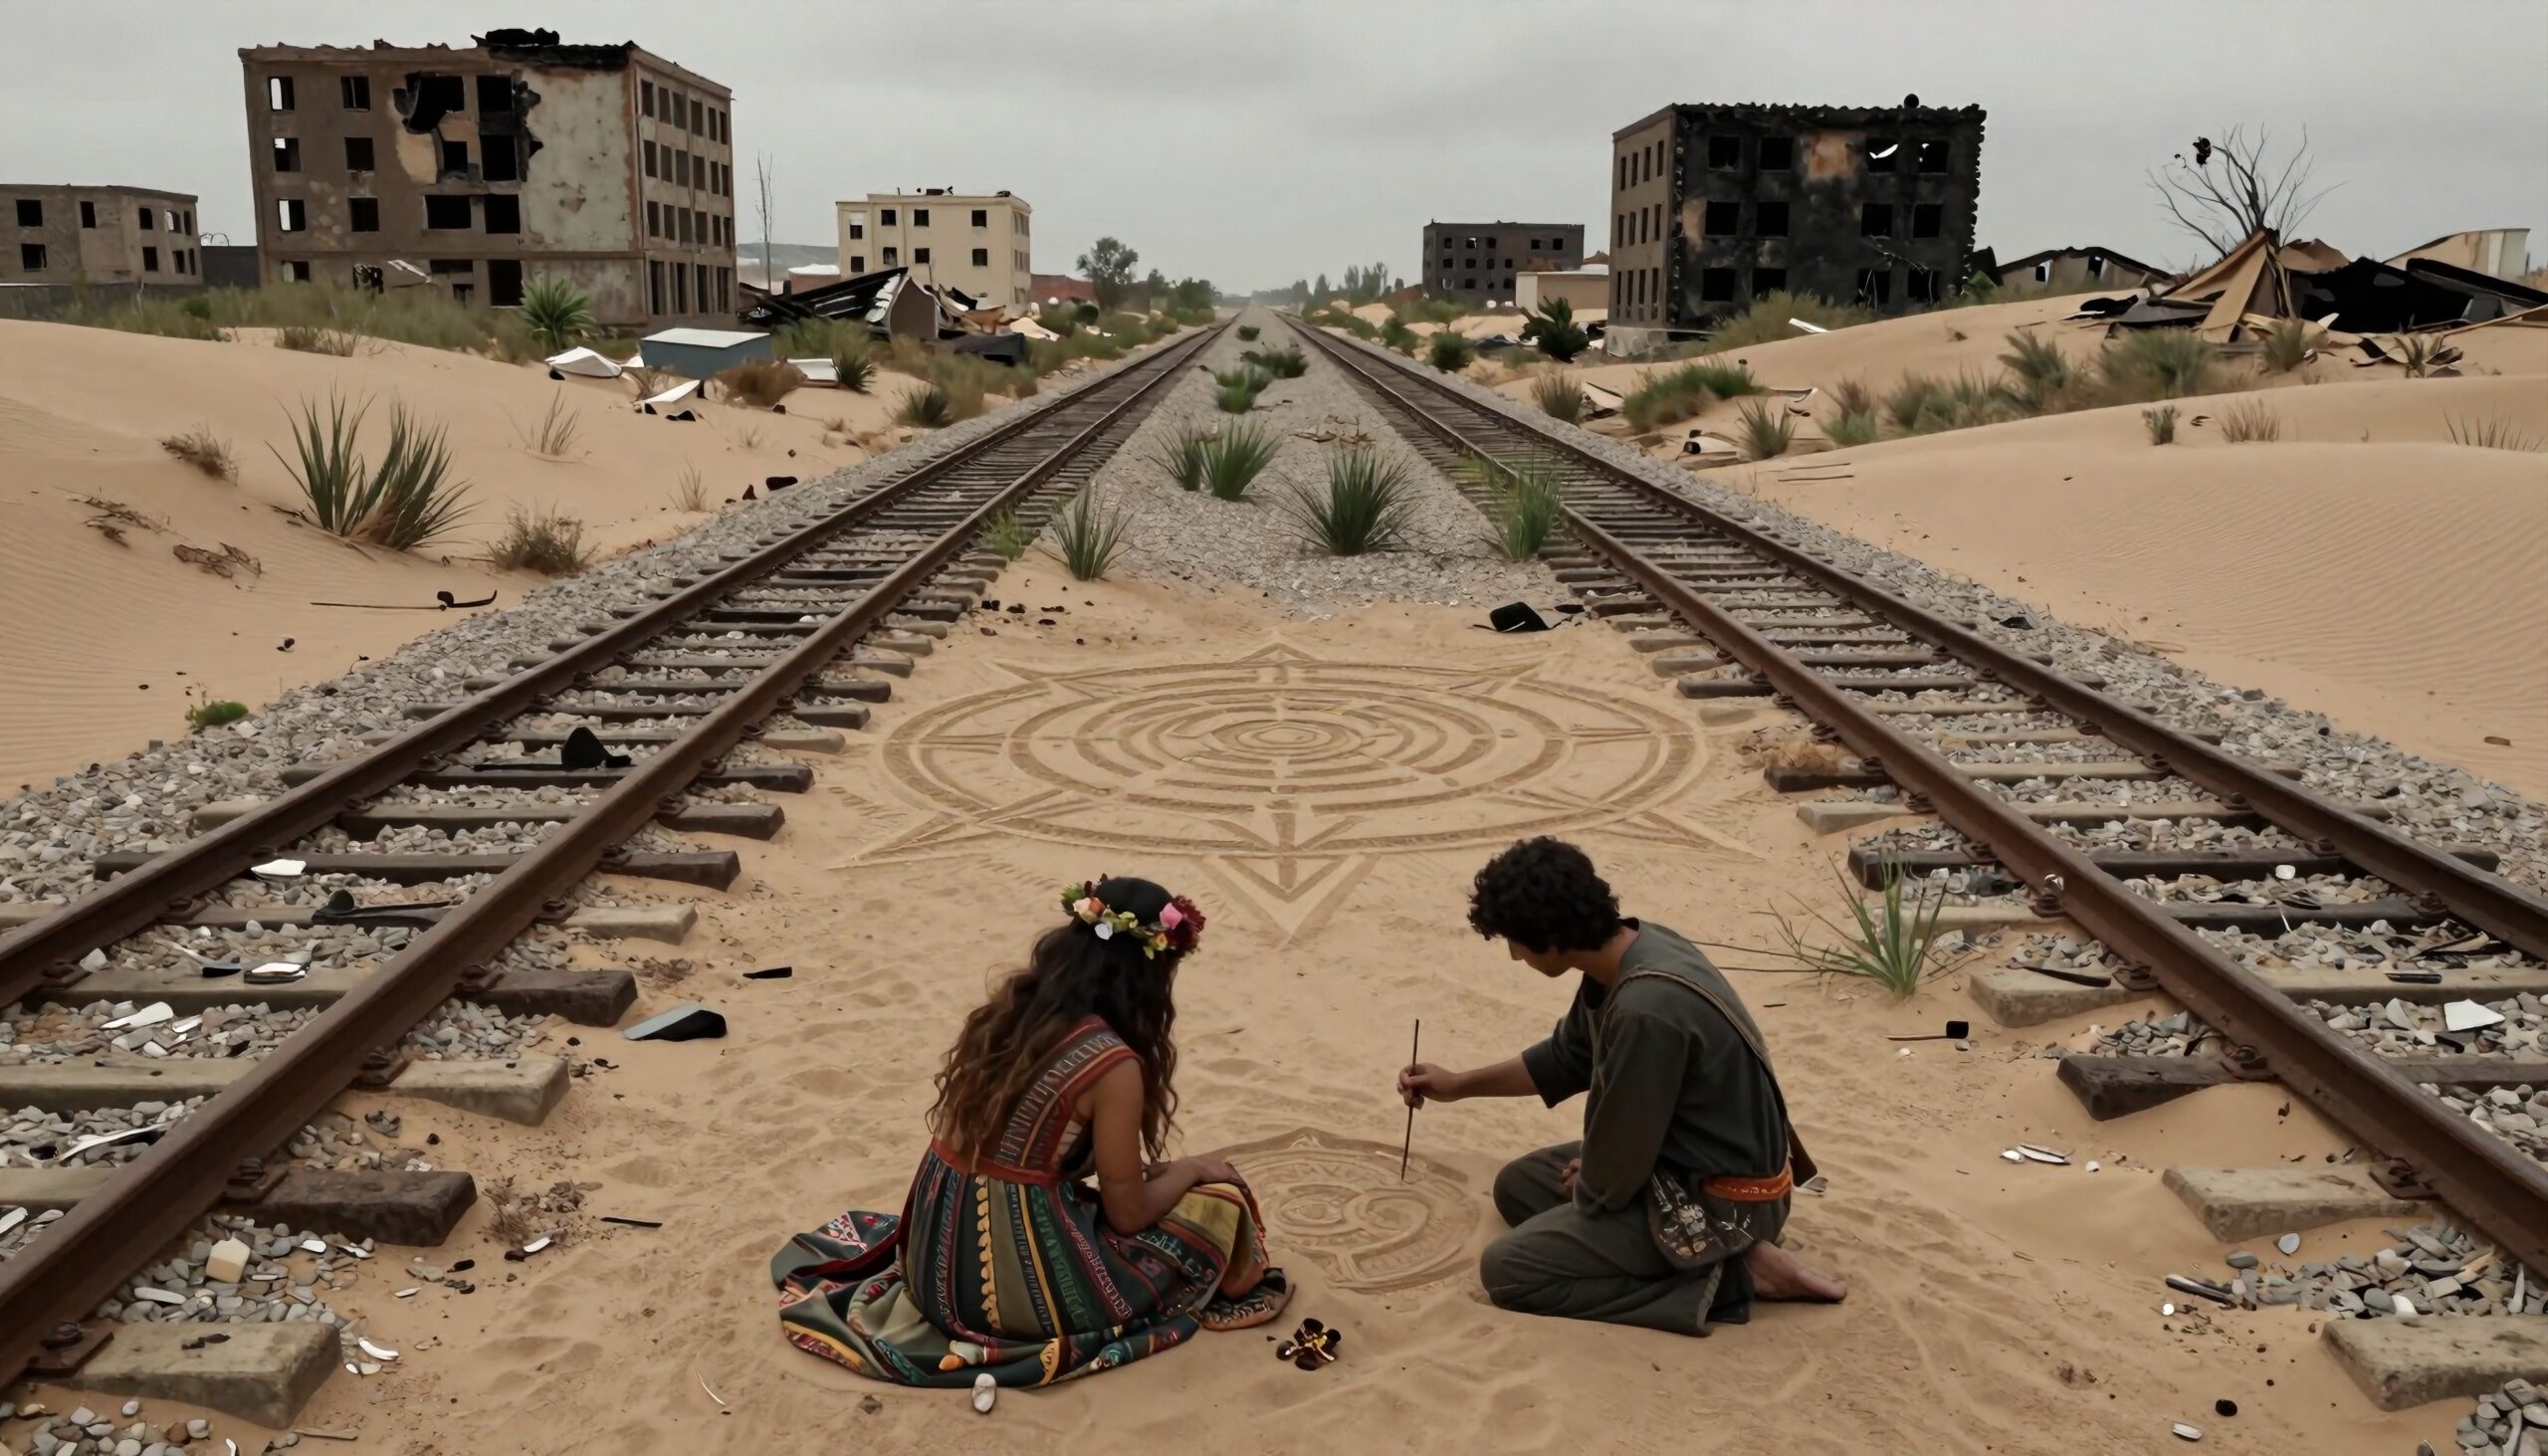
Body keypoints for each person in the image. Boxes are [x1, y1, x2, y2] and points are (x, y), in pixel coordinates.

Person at [771, 876, 1290, 1387]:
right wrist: (1191, 1170)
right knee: (1222, 1201)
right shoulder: (1113, 1065)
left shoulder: (1013, 1012)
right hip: (1008, 1293)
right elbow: (1128, 1215)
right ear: (1151, 975)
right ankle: (1237, 1287)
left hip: (930, 1260)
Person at [1397, 837, 1846, 1334]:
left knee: (1508, 1270)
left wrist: (1596, 1177)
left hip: (1728, 1201)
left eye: (1516, 941)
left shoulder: (1644, 1010)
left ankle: (1735, 1272)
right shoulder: (1628, 952)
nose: (1514, 955)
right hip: (1681, 1163)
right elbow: (1565, 1059)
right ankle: (1710, 1254)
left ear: (1548, 934)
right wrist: (1459, 1084)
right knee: (1519, 1187)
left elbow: (1613, 1175)